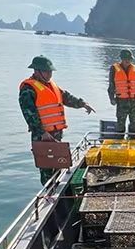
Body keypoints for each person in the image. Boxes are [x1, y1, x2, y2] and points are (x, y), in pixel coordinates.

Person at [19, 55, 95, 184]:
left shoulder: (51, 86)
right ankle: (48, 194)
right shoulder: (28, 88)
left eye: (50, 71)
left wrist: (82, 104)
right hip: (42, 136)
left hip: (56, 133)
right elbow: (29, 114)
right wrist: (41, 132)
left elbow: (66, 97)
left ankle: (58, 190)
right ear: (36, 71)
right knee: (47, 168)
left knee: (58, 165)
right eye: (46, 71)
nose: (49, 74)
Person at [107, 49, 135, 139]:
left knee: (134, 124)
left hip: (133, 101)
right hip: (121, 101)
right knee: (121, 124)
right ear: (121, 59)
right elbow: (111, 85)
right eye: (125, 59)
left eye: (129, 59)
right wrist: (112, 98)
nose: (128, 61)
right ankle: (120, 142)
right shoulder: (114, 69)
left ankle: (133, 142)